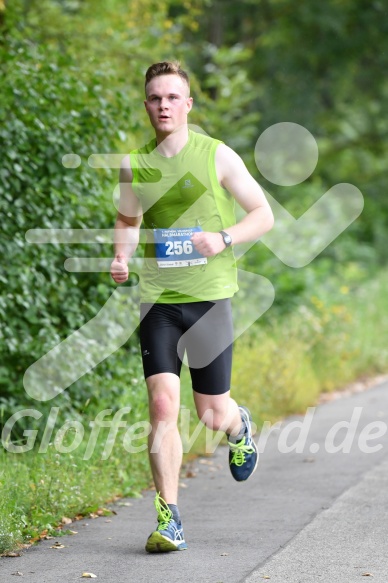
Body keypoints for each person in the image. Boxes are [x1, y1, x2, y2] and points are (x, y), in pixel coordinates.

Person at [110, 61, 274, 553]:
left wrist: (223, 238)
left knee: (210, 413)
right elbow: (127, 219)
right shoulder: (133, 164)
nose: (163, 106)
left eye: (172, 98)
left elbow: (262, 214)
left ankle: (237, 424)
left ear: (187, 105)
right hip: (158, 301)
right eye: (155, 98)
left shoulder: (216, 156)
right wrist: (121, 254)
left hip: (209, 302)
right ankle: (170, 518)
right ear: (146, 106)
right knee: (162, 404)